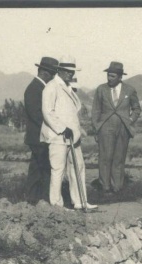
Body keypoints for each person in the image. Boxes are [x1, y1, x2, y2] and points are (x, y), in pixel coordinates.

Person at [40, 55, 96, 210]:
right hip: (58, 137)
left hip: (73, 137)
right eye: (67, 71)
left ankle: (80, 201)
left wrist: (78, 129)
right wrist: (62, 129)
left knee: (78, 167)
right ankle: (57, 205)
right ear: (59, 70)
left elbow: (71, 113)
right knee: (58, 169)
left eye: (72, 71)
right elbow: (47, 112)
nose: (70, 74)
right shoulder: (51, 87)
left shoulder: (68, 87)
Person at [91, 61, 141, 193]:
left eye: (112, 76)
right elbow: (96, 110)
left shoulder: (129, 90)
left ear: (120, 77)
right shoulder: (101, 89)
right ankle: (105, 187)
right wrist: (97, 128)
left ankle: (117, 188)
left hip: (123, 128)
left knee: (119, 158)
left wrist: (130, 120)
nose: (109, 78)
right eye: (108, 75)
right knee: (105, 158)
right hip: (105, 127)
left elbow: (136, 109)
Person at [23, 56, 59, 204]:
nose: (54, 77)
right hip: (38, 136)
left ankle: (38, 198)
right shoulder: (34, 89)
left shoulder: (39, 87)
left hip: (41, 135)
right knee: (38, 169)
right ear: (45, 73)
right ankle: (34, 198)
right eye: (53, 74)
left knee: (41, 168)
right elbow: (37, 115)